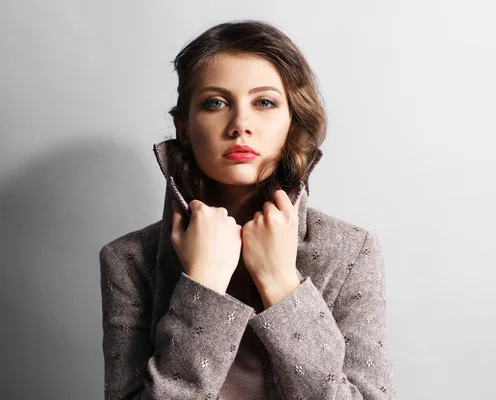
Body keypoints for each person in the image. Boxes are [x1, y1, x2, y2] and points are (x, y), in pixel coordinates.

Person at [99, 19, 395, 400]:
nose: (240, 125)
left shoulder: (351, 251)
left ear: (292, 123)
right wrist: (203, 285)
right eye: (216, 103)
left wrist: (282, 284)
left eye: (265, 102)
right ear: (184, 127)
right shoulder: (129, 260)